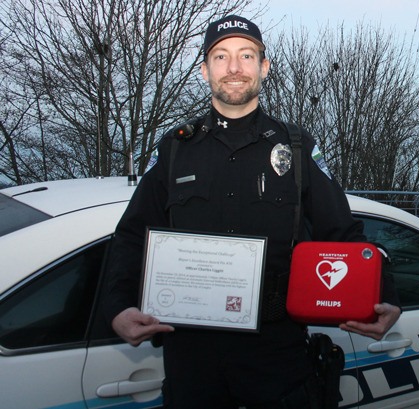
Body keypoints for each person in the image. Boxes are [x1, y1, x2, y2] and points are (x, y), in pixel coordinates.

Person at [103, 14, 401, 409]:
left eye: (246, 55)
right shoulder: (176, 150)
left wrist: (387, 296)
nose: (234, 67)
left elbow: (343, 233)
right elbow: (131, 235)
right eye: (221, 56)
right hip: (192, 352)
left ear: (264, 67)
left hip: (276, 350)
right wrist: (118, 307)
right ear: (205, 69)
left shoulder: (296, 148)